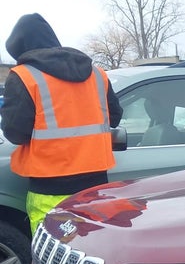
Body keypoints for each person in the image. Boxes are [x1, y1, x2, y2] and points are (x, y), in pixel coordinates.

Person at [1, 13, 123, 234]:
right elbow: (114, 117)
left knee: (55, 255)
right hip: (95, 183)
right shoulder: (97, 74)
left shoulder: (23, 76)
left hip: (49, 187)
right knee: (94, 250)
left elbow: (15, 133)